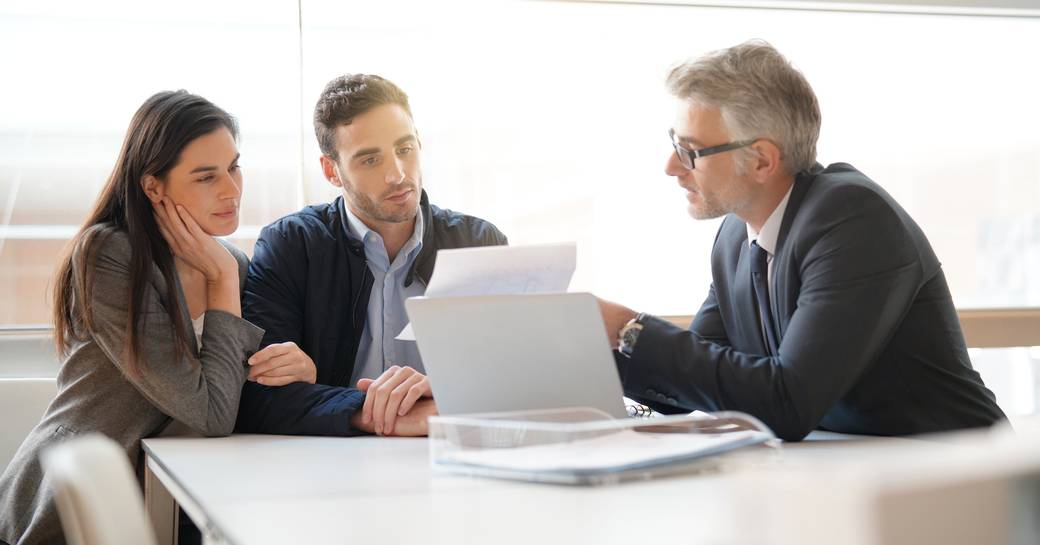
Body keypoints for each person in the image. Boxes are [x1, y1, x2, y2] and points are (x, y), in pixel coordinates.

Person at [598, 40, 1005, 441]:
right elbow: (692, 381)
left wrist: (632, 331)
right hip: (855, 469)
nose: (671, 166)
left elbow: (788, 402)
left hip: (960, 474)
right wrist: (591, 342)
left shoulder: (853, 220)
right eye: (675, 143)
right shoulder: (735, 239)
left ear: (761, 160)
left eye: (690, 151)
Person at [0, 91, 263, 545]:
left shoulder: (232, 263)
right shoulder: (109, 255)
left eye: (234, 167)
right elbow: (210, 412)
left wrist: (287, 365)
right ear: (153, 186)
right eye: (206, 177)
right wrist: (220, 278)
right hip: (72, 507)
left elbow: (231, 389)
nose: (231, 191)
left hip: (175, 498)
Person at [234, 74, 506, 437]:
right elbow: (258, 397)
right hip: (332, 463)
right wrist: (373, 413)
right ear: (332, 170)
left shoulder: (479, 243)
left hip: (454, 453)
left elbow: (515, 380)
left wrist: (441, 402)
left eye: (405, 150)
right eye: (370, 159)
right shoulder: (292, 246)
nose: (397, 174)